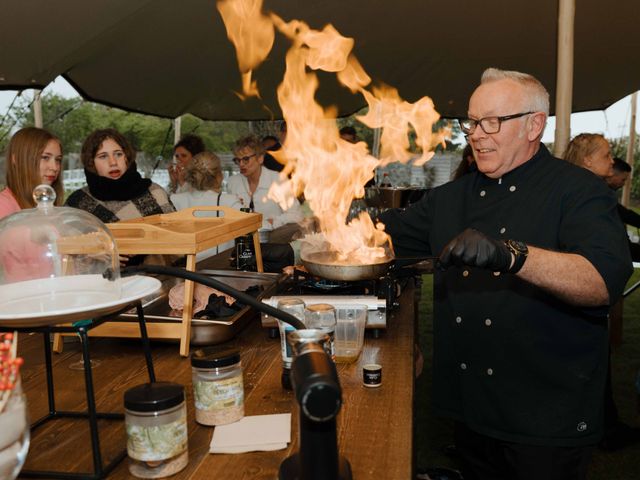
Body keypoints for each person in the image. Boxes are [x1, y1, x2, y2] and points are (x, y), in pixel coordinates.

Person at [379, 68, 632, 480]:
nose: (477, 134)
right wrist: (316, 229)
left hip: (546, 417)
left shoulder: (578, 191)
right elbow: (381, 237)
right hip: (471, 409)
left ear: (535, 124)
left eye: (493, 122)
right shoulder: (449, 198)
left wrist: (510, 254)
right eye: (473, 122)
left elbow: (602, 282)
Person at [65, 129, 175, 265]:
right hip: (104, 283)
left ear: (127, 158)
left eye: (118, 154)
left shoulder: (155, 192)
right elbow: (65, 254)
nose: (113, 162)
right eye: (103, 156)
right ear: (91, 163)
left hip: (164, 280)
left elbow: (178, 243)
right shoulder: (78, 203)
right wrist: (92, 250)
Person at [170, 151, 241, 259]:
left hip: (182, 271)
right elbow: (255, 233)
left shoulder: (174, 200)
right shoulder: (230, 203)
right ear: (219, 176)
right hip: (220, 270)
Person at [227, 135, 303, 230]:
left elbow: (296, 215)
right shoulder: (233, 182)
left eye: (246, 159)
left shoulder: (278, 180)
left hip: (274, 240)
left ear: (260, 159)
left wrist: (272, 222)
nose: (241, 164)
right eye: (237, 160)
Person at [0, 127, 63, 219]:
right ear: (16, 159)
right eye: (45, 157)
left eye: (58, 160)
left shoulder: (48, 206)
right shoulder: (3, 206)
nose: (54, 167)